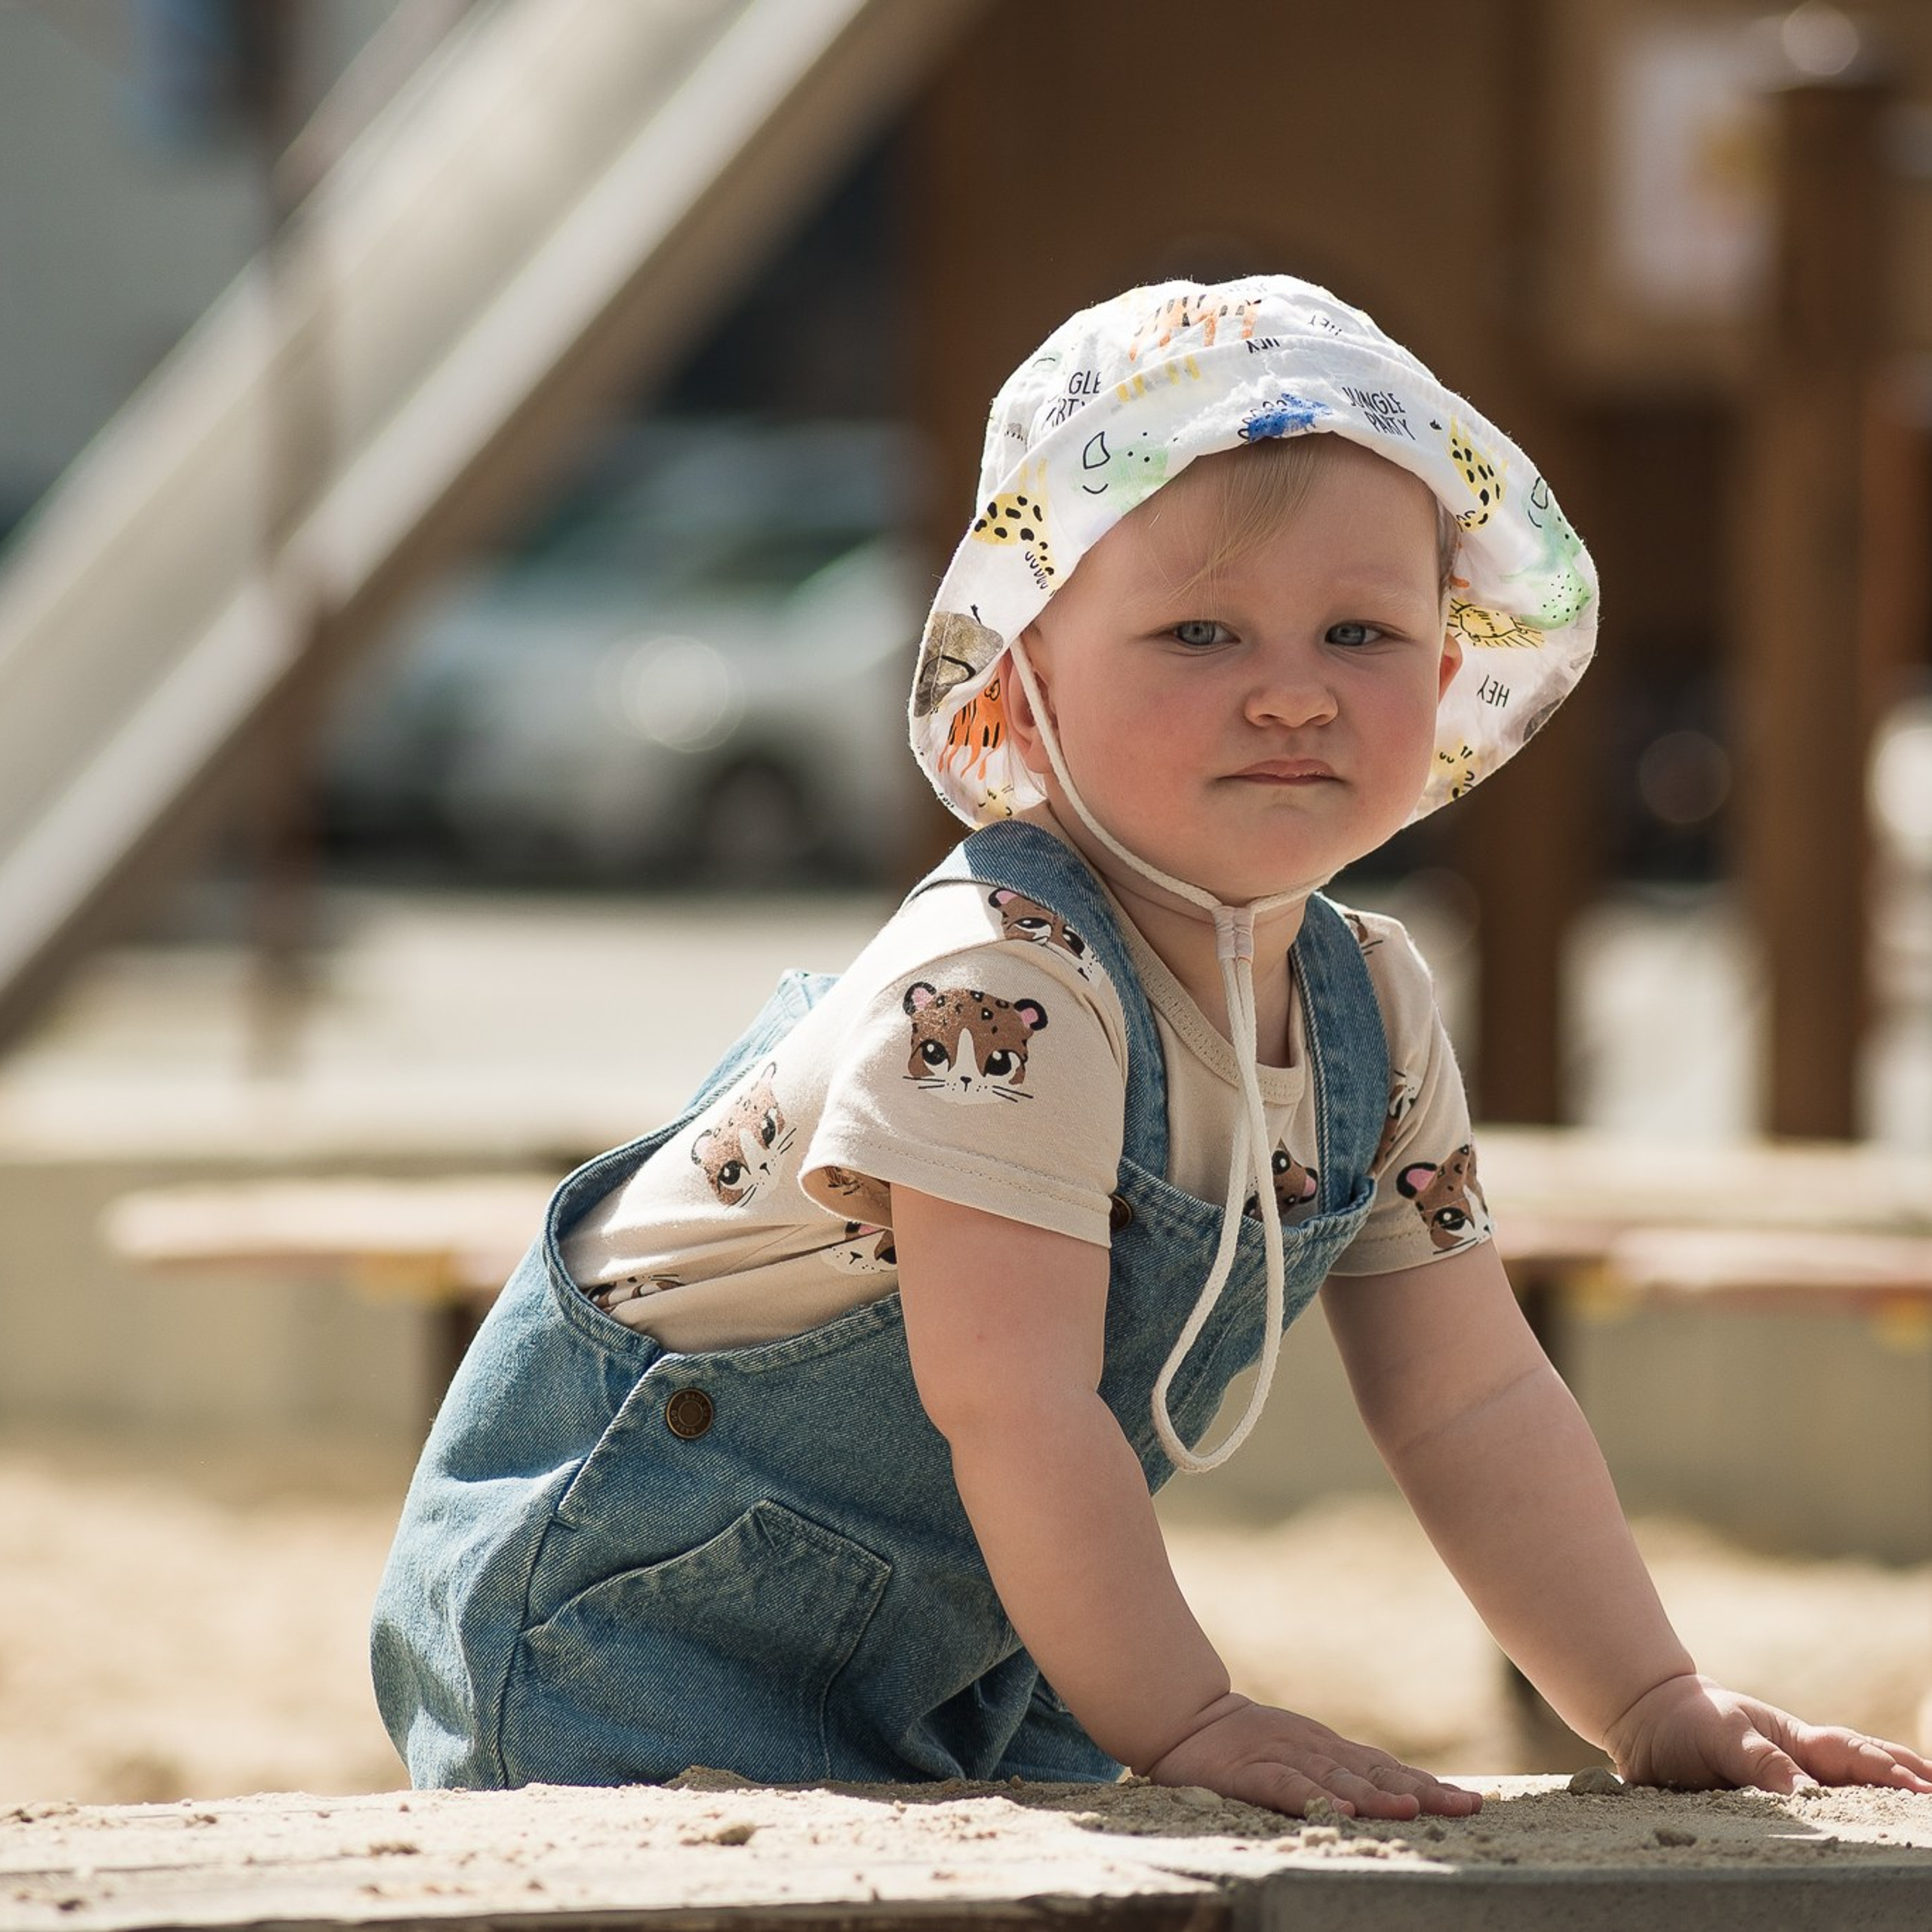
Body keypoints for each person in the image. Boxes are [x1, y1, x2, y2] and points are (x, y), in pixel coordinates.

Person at [371, 275, 1932, 1820]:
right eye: (1198, 629)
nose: (1292, 689)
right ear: (1026, 680)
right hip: (641, 1615)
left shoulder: (1367, 1006)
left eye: (1359, 630)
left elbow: (1470, 1397)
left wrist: (1645, 1694)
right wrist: (1187, 1714)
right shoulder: (1001, 979)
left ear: (1446, 671)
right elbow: (1013, 1401)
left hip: (975, 1633)